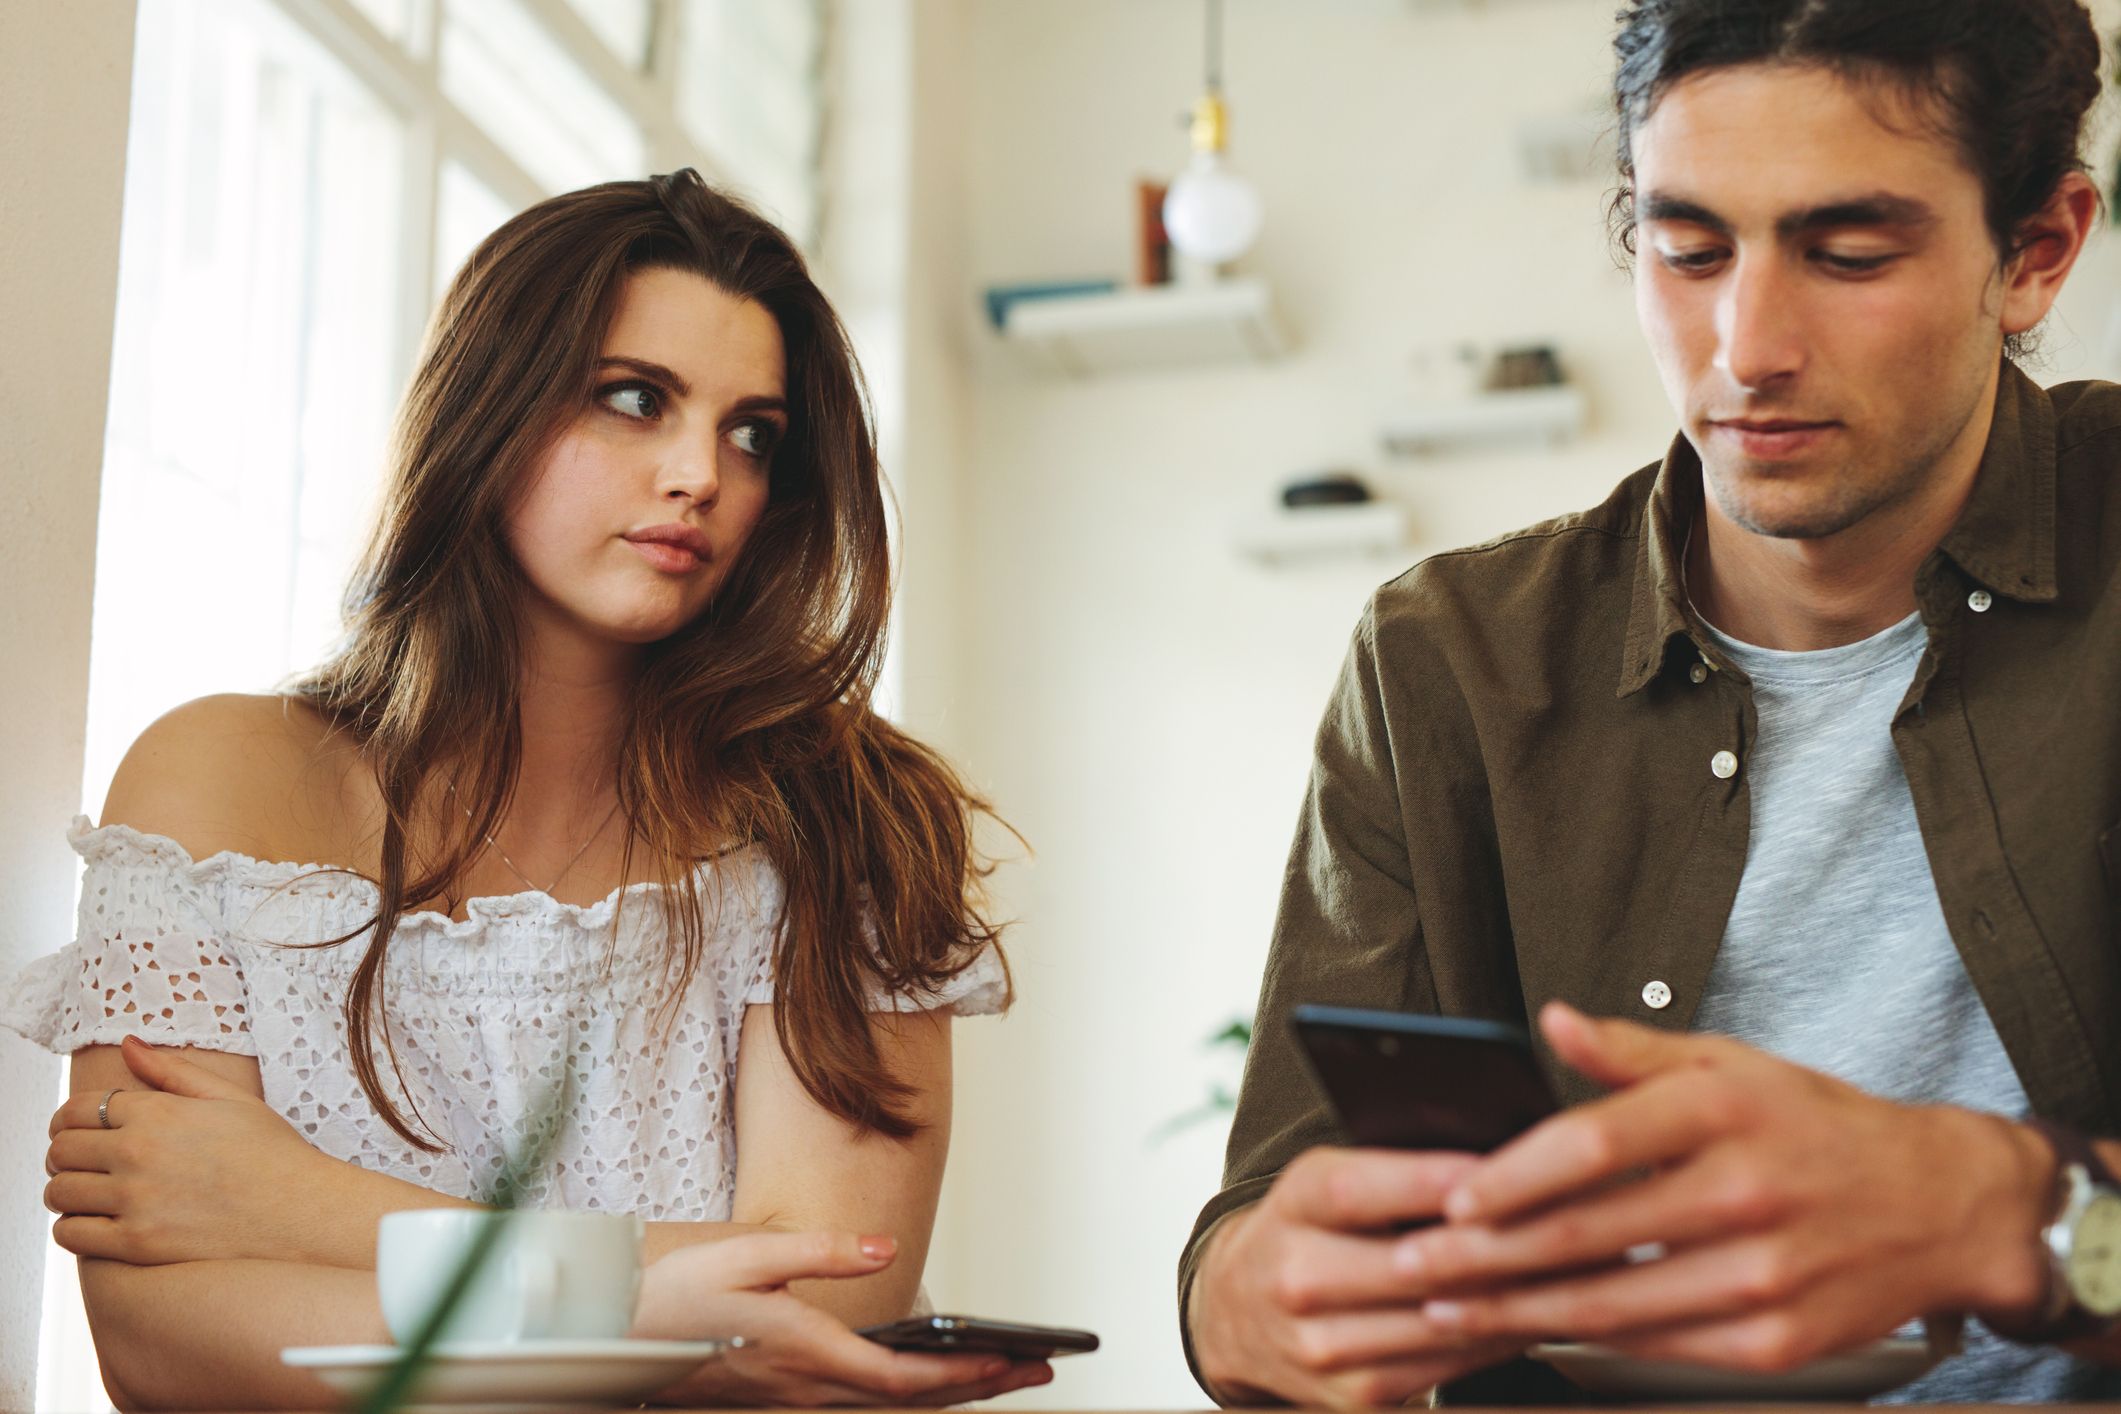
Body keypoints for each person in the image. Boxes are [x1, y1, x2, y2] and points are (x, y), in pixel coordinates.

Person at [1179, 0, 2121, 1404]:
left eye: (1848, 252)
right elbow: (1250, 1244)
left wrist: (2015, 1217)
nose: (1746, 345)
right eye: (1686, 249)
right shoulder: (1447, 661)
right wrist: (1246, 1308)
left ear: (2036, 250)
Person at [9, 169, 1050, 1411]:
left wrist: (300, 1203)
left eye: (751, 434)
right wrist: (658, 1310)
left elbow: (824, 1317)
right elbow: (161, 1348)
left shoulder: (851, 825)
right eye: (633, 398)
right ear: (488, 406)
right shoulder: (215, 784)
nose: (699, 475)